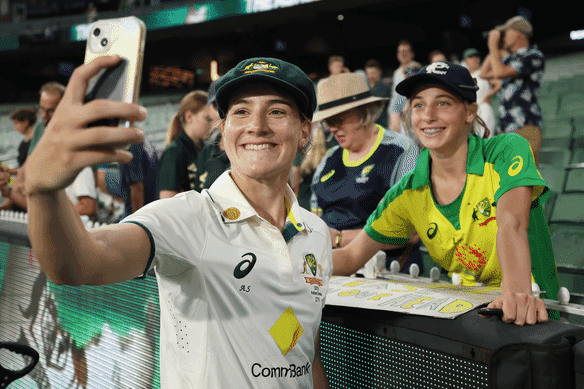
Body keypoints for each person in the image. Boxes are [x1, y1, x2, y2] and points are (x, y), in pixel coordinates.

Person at [25, 55, 331, 388]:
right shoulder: (188, 217)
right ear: (224, 130)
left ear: (304, 131)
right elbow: (79, 263)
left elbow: (306, 357)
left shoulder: (315, 233)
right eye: (240, 111)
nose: (256, 125)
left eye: (276, 111)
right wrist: (44, 192)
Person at [333, 61, 558, 326]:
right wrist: (286, 266)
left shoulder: (505, 151)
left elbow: (512, 225)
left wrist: (517, 295)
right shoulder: (407, 192)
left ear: (470, 111)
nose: (427, 115)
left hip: (532, 318)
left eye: (443, 103)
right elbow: (349, 258)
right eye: (418, 105)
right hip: (473, 324)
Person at [310, 72, 422, 274]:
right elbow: (313, 221)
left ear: (364, 112)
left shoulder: (400, 150)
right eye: (328, 121)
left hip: (386, 271)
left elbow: (409, 232)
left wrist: (337, 238)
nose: (333, 128)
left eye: (339, 119)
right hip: (330, 269)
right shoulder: (329, 158)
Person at [480, 16, 544, 165]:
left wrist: (493, 45)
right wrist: (495, 48)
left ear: (517, 34)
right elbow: (484, 73)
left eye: (505, 32)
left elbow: (499, 73)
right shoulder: (510, 59)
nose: (503, 36)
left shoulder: (533, 55)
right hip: (505, 125)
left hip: (525, 124)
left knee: (525, 177)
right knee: (505, 178)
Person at [2, 82, 65, 211]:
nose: (43, 116)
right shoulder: (41, 128)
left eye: (50, 111)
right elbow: (27, 165)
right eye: (41, 109)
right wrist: (10, 199)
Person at [157, 90, 213, 198]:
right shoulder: (174, 153)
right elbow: (167, 202)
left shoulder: (203, 148)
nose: (213, 125)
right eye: (208, 119)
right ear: (189, 117)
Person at [0, 108, 37, 211]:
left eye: (16, 123)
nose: (15, 128)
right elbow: (23, 168)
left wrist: (12, 171)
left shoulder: (35, 142)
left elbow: (31, 170)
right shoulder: (23, 144)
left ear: (25, 122)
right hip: (23, 187)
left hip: (32, 190)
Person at [462, 48, 496, 137]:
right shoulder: (464, 76)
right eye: (471, 57)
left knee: (486, 137)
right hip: (470, 111)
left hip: (484, 107)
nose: (474, 59)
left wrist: (489, 95)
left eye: (476, 57)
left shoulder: (484, 73)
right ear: (466, 60)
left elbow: (499, 84)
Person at [389, 40, 416, 130]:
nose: (403, 54)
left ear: (412, 54)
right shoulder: (396, 72)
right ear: (397, 55)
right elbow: (394, 95)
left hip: (412, 112)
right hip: (398, 113)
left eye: (406, 51)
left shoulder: (415, 68)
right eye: (401, 52)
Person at [364, 59, 392, 129]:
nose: (371, 76)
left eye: (373, 73)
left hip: (382, 125)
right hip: (371, 126)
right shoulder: (367, 88)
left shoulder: (385, 87)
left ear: (380, 72)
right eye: (369, 74)